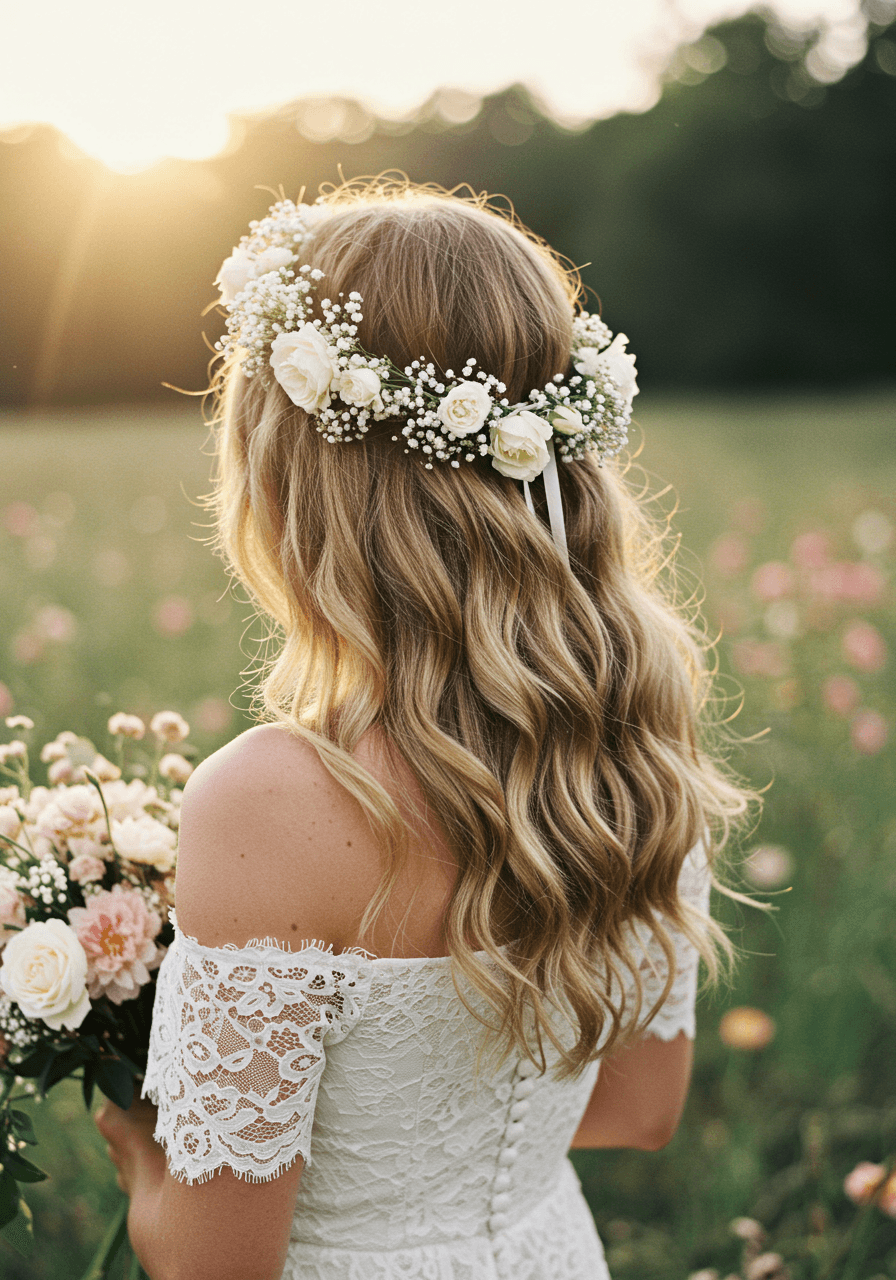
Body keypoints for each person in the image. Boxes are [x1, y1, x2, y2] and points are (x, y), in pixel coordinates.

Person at [96, 177, 752, 1280]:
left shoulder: (270, 801)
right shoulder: (638, 741)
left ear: (286, 474)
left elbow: (213, 1262)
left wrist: (135, 1143)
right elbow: (638, 1110)